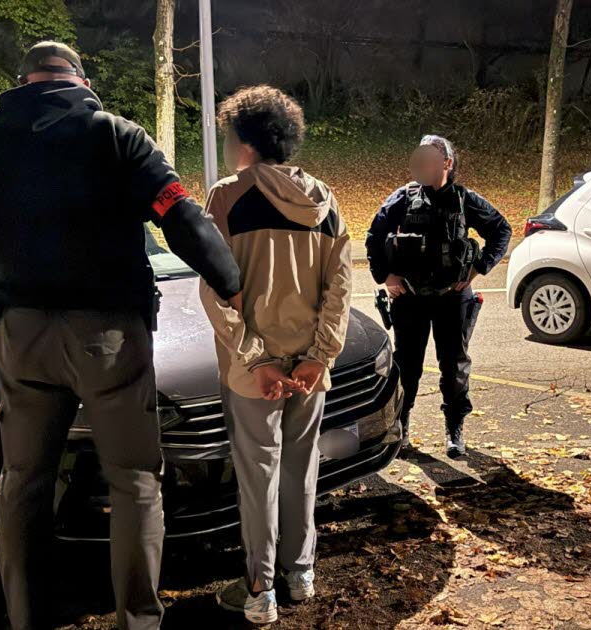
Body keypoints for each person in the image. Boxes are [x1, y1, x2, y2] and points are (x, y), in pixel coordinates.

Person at [0, 42, 241, 629]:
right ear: (79, 78)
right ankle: (138, 619)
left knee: (23, 479)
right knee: (133, 480)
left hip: (22, 333)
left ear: (24, 79)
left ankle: (26, 616)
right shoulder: (116, 135)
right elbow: (180, 215)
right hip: (109, 334)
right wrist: (232, 284)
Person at [199, 85, 352, 625]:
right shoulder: (326, 199)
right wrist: (319, 356)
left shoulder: (226, 196)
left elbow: (216, 290)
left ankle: (260, 589)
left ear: (242, 140)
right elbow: (341, 288)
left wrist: (256, 359)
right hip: (309, 370)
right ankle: (301, 574)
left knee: (258, 475)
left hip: (252, 373)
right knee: (299, 469)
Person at [366, 135, 511, 459]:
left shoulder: (464, 200)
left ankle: (454, 430)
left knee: (454, 367)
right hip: (411, 298)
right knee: (407, 367)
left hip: (452, 297)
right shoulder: (403, 197)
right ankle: (400, 428)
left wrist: (479, 268)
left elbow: (501, 230)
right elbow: (374, 235)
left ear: (447, 163)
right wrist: (385, 276)